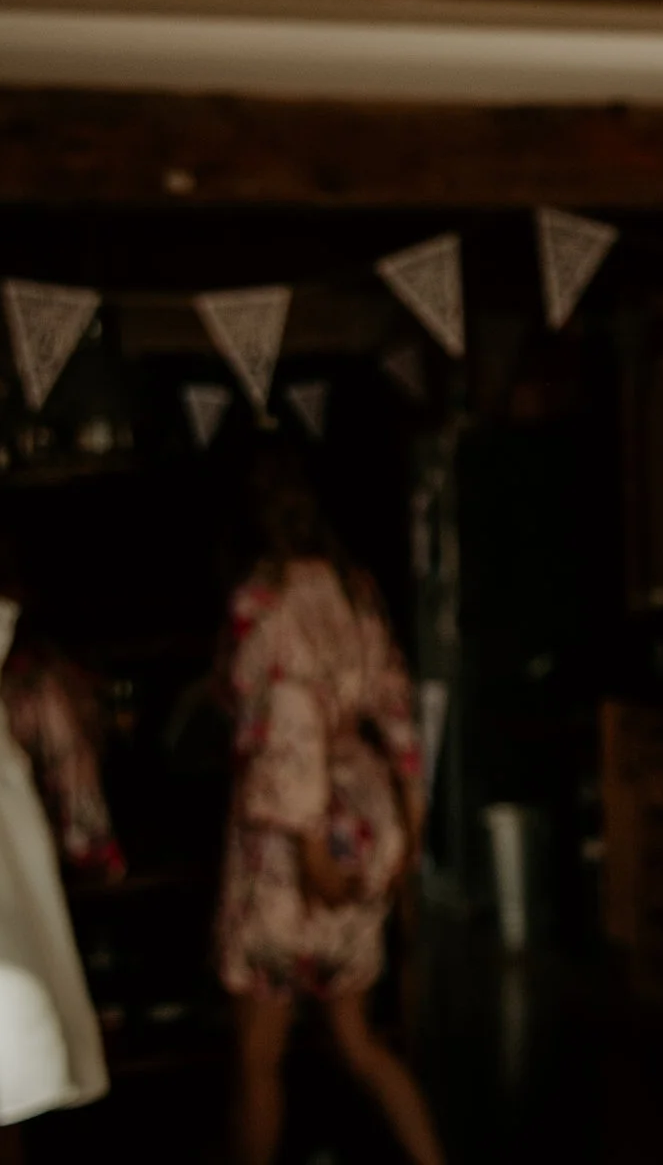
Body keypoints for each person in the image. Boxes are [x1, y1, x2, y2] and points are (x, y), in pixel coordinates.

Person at [215, 445, 442, 1165]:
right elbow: (399, 711)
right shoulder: (355, 589)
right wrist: (408, 821)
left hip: (289, 846)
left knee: (258, 1056)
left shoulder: (261, 599)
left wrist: (309, 840)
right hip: (364, 824)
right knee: (357, 1037)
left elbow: (286, 719)